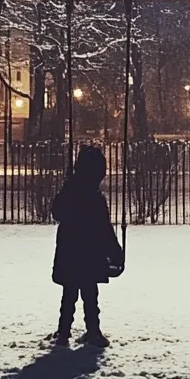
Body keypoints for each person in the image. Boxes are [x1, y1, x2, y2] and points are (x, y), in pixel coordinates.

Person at [50, 145, 124, 348]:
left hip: (69, 249)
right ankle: (93, 331)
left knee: (69, 293)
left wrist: (65, 190)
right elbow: (104, 229)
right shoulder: (95, 198)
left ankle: (64, 331)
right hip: (90, 251)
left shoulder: (69, 191)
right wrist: (115, 252)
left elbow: (57, 213)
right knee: (90, 294)